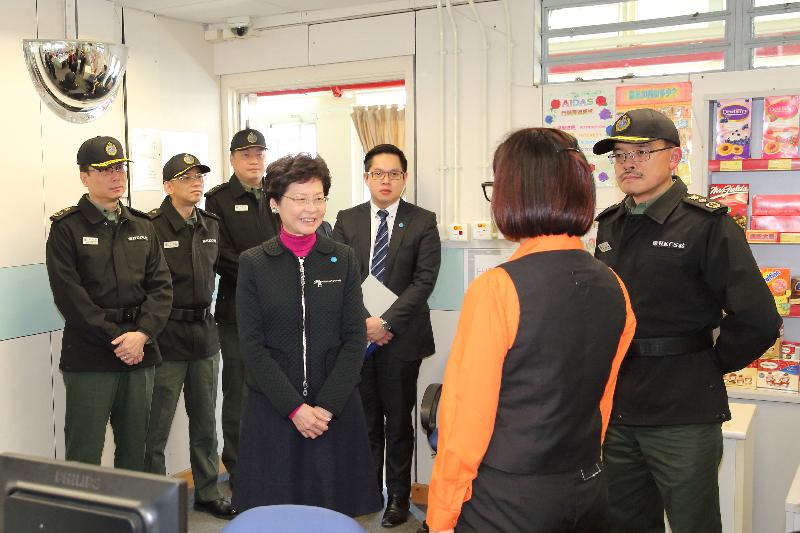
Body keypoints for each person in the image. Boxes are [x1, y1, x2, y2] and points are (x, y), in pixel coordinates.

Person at [425, 128, 635, 533]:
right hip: (587, 489)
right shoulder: (615, 285)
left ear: (515, 193)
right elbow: (602, 404)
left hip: (509, 501)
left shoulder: (497, 288)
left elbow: (465, 424)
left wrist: (441, 517)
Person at [592, 108, 782, 533]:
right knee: (623, 521)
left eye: (642, 152)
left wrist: (709, 363)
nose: (629, 163)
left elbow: (758, 318)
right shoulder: (610, 225)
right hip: (619, 407)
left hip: (683, 409)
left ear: (674, 159)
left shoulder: (706, 224)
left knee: (693, 522)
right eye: (620, 155)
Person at [232, 153, 381, 516]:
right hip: (275, 408)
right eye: (299, 198)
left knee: (331, 511)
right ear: (274, 203)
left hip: (334, 409)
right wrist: (295, 408)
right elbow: (252, 347)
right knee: (275, 513)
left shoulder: (342, 258)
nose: (311, 208)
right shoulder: (254, 263)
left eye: (319, 198)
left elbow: (353, 338)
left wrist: (325, 407)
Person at [45, 136, 172, 471]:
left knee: (135, 451)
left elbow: (161, 288)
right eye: (105, 170)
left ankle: (128, 522)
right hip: (92, 354)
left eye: (119, 168)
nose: (116, 176)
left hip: (139, 351)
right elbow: (71, 298)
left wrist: (142, 335)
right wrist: (119, 339)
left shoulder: (143, 225)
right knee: (85, 452)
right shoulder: (66, 228)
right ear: (84, 176)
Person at [332, 143, 441, 528]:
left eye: (393, 173)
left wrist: (386, 323)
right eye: (378, 173)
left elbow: (424, 280)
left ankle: (397, 496)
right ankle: (365, 489)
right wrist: (366, 322)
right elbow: (342, 276)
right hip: (358, 338)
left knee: (397, 421)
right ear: (366, 177)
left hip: (402, 338)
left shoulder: (422, 220)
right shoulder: (347, 219)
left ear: (404, 178)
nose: (386, 180)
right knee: (363, 421)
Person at [143, 153, 236, 519]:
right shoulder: (150, 226)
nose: (196, 182)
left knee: (205, 424)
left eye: (199, 176)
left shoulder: (210, 223)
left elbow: (226, 269)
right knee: (157, 426)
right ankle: (153, 497)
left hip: (204, 334)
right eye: (186, 177)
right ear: (168, 186)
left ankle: (208, 491)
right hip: (165, 336)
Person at [204, 128, 278, 484]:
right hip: (237, 312)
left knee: (278, 387)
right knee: (238, 392)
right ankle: (238, 464)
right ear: (232, 159)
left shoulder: (278, 193)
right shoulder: (217, 200)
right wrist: (264, 274)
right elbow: (219, 255)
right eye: (247, 154)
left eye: (260, 154)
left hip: (280, 313)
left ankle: (272, 459)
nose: (255, 160)